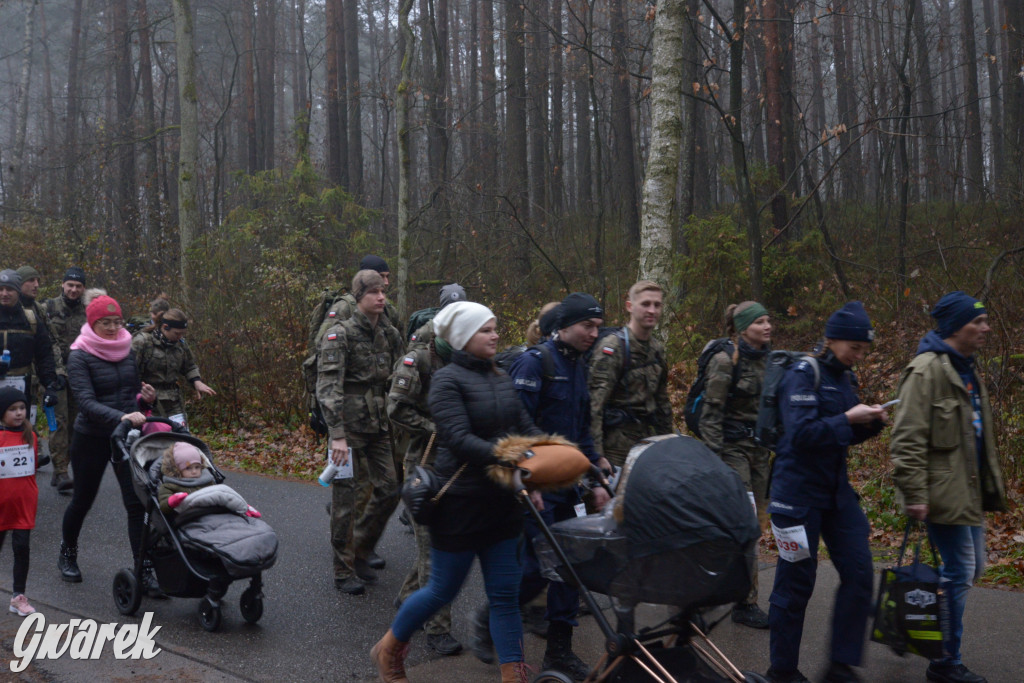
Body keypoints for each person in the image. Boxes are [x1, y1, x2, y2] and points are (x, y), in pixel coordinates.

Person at [371, 301, 541, 683]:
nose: (495, 335)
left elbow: (526, 426)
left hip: (502, 506)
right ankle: (389, 649)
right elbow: (460, 440)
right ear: (463, 338)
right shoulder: (447, 382)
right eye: (486, 330)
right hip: (460, 506)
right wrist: (510, 455)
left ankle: (514, 674)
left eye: (495, 328)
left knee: (504, 597)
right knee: (440, 591)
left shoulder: (502, 377)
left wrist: (555, 454)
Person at [765, 302, 887, 683]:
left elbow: (844, 433)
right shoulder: (803, 374)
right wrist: (848, 418)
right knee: (797, 582)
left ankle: (840, 665)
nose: (858, 355)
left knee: (860, 571)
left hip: (835, 495)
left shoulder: (843, 378)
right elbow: (801, 435)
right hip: (794, 497)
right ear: (832, 339)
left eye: (864, 350)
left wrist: (871, 422)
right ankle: (782, 670)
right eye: (854, 347)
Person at [890, 292, 1006, 683]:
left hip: (967, 491)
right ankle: (944, 661)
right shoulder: (926, 370)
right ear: (957, 326)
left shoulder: (965, 368)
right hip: (941, 494)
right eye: (979, 321)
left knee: (972, 569)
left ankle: (923, 628)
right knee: (960, 571)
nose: (986, 328)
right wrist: (916, 493)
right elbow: (906, 439)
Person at [505, 292, 611, 680]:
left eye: (598, 327)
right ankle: (496, 615)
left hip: (569, 484)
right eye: (587, 326)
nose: (593, 333)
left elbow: (581, 428)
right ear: (563, 327)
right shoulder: (534, 364)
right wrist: (529, 478)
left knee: (571, 565)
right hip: (536, 484)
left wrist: (596, 465)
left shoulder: (579, 364)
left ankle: (559, 651)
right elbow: (517, 426)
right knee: (537, 566)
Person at [57, 295, 162, 599]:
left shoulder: (126, 347)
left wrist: (145, 399)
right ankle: (67, 554)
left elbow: (129, 392)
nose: (114, 328)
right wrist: (122, 415)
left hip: (124, 436)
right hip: (91, 437)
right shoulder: (79, 355)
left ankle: (142, 569)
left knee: (136, 503)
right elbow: (86, 403)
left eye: (117, 322)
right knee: (82, 500)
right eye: (106, 323)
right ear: (93, 323)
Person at [388, 284, 466, 656]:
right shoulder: (417, 359)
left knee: (432, 548)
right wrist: (433, 426)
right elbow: (396, 408)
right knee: (434, 550)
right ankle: (437, 630)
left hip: (456, 465)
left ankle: (407, 600)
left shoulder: (466, 357)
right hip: (423, 463)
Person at [317, 270, 404, 595]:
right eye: (373, 292)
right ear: (358, 297)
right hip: (347, 429)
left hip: (379, 424)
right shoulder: (339, 335)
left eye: (383, 291)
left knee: (389, 488)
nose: (381, 297)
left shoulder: (390, 334)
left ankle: (362, 549)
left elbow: (397, 377)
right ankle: (343, 569)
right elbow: (327, 387)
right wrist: (336, 434)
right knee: (344, 500)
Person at [697, 301, 772, 629]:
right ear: (743, 329)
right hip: (730, 451)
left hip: (759, 453)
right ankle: (699, 596)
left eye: (769, 320)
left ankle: (744, 602)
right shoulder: (725, 362)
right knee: (735, 524)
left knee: (751, 527)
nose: (768, 326)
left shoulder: (770, 360)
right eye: (760, 322)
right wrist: (715, 460)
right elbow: (709, 416)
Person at [588, 280, 673, 467]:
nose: (652, 310)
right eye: (645, 304)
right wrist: (597, 456)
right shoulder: (613, 348)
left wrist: (669, 444)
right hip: (616, 448)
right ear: (630, 306)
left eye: (657, 305)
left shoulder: (656, 349)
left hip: (649, 443)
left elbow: (662, 403)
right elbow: (594, 406)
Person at [16, 266, 65, 476]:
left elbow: (50, 343)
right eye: (31, 281)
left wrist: (57, 372)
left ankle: (38, 458)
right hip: (15, 376)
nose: (36, 285)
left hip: (38, 377)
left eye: (38, 280)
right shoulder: (9, 309)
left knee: (36, 415)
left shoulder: (38, 309)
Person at [131, 308, 216, 427]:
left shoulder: (181, 344)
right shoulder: (143, 342)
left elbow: (189, 366)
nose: (180, 336)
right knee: (155, 440)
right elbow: (130, 372)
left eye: (182, 333)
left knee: (182, 438)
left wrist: (196, 382)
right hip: (148, 401)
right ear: (165, 327)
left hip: (173, 401)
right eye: (177, 333)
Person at [44, 267, 89, 494]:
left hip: (80, 375)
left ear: (83, 289)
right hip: (55, 374)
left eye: (78, 286)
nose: (73, 289)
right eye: (70, 285)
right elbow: (42, 342)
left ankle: (63, 467)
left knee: (76, 423)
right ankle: (61, 471)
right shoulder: (48, 308)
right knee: (59, 422)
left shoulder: (89, 311)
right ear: (62, 285)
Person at [0, 388, 41, 616]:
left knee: (21, 548)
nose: (18, 413)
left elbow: (32, 467)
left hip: (23, 501)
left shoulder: (31, 436)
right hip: (1, 501)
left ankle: (18, 597)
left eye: (22, 408)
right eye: (12, 409)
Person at [315, 255, 404, 346]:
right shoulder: (343, 308)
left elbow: (401, 345)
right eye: (381, 276)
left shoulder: (387, 308)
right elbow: (322, 346)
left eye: (387, 276)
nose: (386, 282)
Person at [157, 442, 260, 518]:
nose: (194, 472)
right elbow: (163, 506)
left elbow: (220, 495)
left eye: (197, 467)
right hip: (188, 519)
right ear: (177, 470)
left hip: (213, 515)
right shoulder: (169, 486)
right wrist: (172, 501)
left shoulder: (207, 480)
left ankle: (243, 507)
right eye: (188, 468)